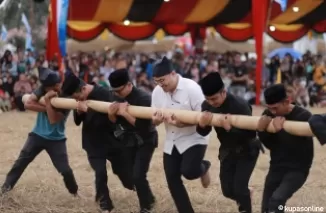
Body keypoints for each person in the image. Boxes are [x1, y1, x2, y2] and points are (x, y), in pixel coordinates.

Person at [61, 72, 134, 213]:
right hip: (92, 143)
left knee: (127, 178)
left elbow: (117, 122)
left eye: (76, 97)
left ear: (83, 89)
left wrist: (109, 113)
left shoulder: (106, 94)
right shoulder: (80, 99)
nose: (77, 100)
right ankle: (105, 205)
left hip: (112, 142)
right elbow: (77, 122)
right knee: (100, 172)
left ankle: (137, 187)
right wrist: (80, 112)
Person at [1, 69, 78, 196]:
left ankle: (74, 192)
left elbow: (53, 120)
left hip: (56, 139)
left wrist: (47, 101)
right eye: (45, 87)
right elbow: (27, 104)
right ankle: (4, 189)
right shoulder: (43, 88)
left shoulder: (66, 98)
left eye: (49, 88)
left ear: (57, 85)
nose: (46, 90)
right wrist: (47, 108)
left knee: (65, 170)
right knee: (20, 163)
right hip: (37, 135)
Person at [151, 56, 210, 213]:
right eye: (157, 81)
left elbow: (204, 117)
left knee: (189, 172)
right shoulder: (157, 92)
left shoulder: (192, 89)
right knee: (172, 177)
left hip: (195, 137)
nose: (160, 85)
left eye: (163, 80)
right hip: (172, 139)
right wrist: (155, 121)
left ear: (173, 73)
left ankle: (203, 167)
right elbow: (153, 118)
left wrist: (184, 122)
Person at [196, 72, 260, 213]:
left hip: (247, 150)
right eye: (208, 99)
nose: (211, 103)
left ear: (224, 92)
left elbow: (251, 134)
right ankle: (245, 194)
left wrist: (229, 128)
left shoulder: (240, 105)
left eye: (214, 99)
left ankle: (244, 204)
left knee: (239, 188)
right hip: (227, 151)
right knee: (227, 191)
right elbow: (203, 132)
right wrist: (202, 124)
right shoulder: (206, 105)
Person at [107, 68, 157, 213]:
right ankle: (150, 198)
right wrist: (112, 115)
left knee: (138, 174)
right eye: (114, 91)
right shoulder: (114, 96)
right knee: (128, 173)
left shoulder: (144, 98)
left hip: (145, 139)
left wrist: (124, 113)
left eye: (119, 91)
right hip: (126, 139)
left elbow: (144, 128)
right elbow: (113, 124)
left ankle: (145, 207)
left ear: (129, 84)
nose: (116, 94)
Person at [257, 84, 313, 213]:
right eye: (269, 108)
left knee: (277, 200)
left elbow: (296, 148)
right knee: (266, 208)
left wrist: (280, 130)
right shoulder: (268, 114)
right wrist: (261, 131)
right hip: (276, 167)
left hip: (297, 169)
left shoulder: (303, 116)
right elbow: (271, 145)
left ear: (287, 102)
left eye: (275, 108)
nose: (273, 112)